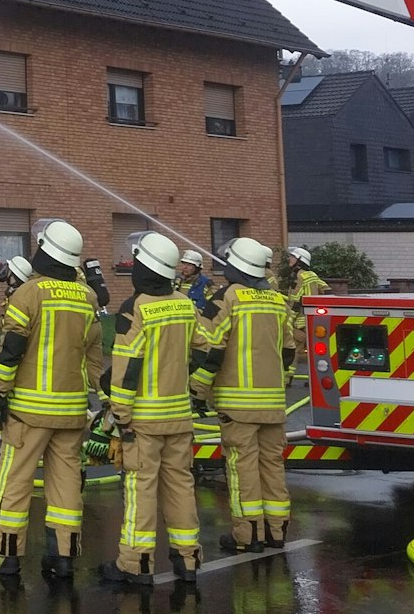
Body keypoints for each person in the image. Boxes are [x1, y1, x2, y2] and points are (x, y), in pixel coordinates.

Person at [0, 218, 103, 581]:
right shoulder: (87, 298)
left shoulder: (28, 293)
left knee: (13, 482)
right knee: (66, 484)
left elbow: (11, 351)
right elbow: (94, 357)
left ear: (44, 250)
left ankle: (3, 556)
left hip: (28, 413)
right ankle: (64, 557)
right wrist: (104, 402)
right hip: (72, 413)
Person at [98, 232, 203, 588]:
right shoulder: (185, 305)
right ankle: (188, 560)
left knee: (140, 490)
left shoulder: (136, 307)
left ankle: (135, 564)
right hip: (179, 416)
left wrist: (120, 415)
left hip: (143, 420)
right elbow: (203, 350)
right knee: (181, 486)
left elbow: (127, 368)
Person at [190, 236, 294, 553]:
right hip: (273, 404)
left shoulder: (226, 298)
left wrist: (197, 390)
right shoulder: (277, 300)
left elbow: (210, 350)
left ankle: (248, 535)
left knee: (242, 469)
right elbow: (289, 351)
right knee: (272, 466)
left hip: (237, 405)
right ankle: (277, 531)